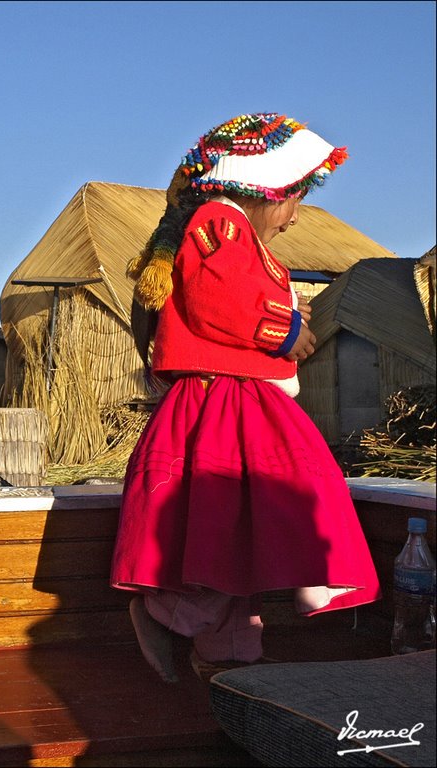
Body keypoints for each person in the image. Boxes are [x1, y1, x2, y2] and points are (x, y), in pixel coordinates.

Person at [112, 114, 380, 683]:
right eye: (292, 202)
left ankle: (231, 652)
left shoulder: (235, 235)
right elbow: (221, 300)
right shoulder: (220, 224)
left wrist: (287, 309)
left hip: (236, 397)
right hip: (225, 403)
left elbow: (239, 293)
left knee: (234, 530)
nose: (294, 218)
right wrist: (288, 330)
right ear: (265, 190)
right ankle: (166, 615)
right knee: (262, 505)